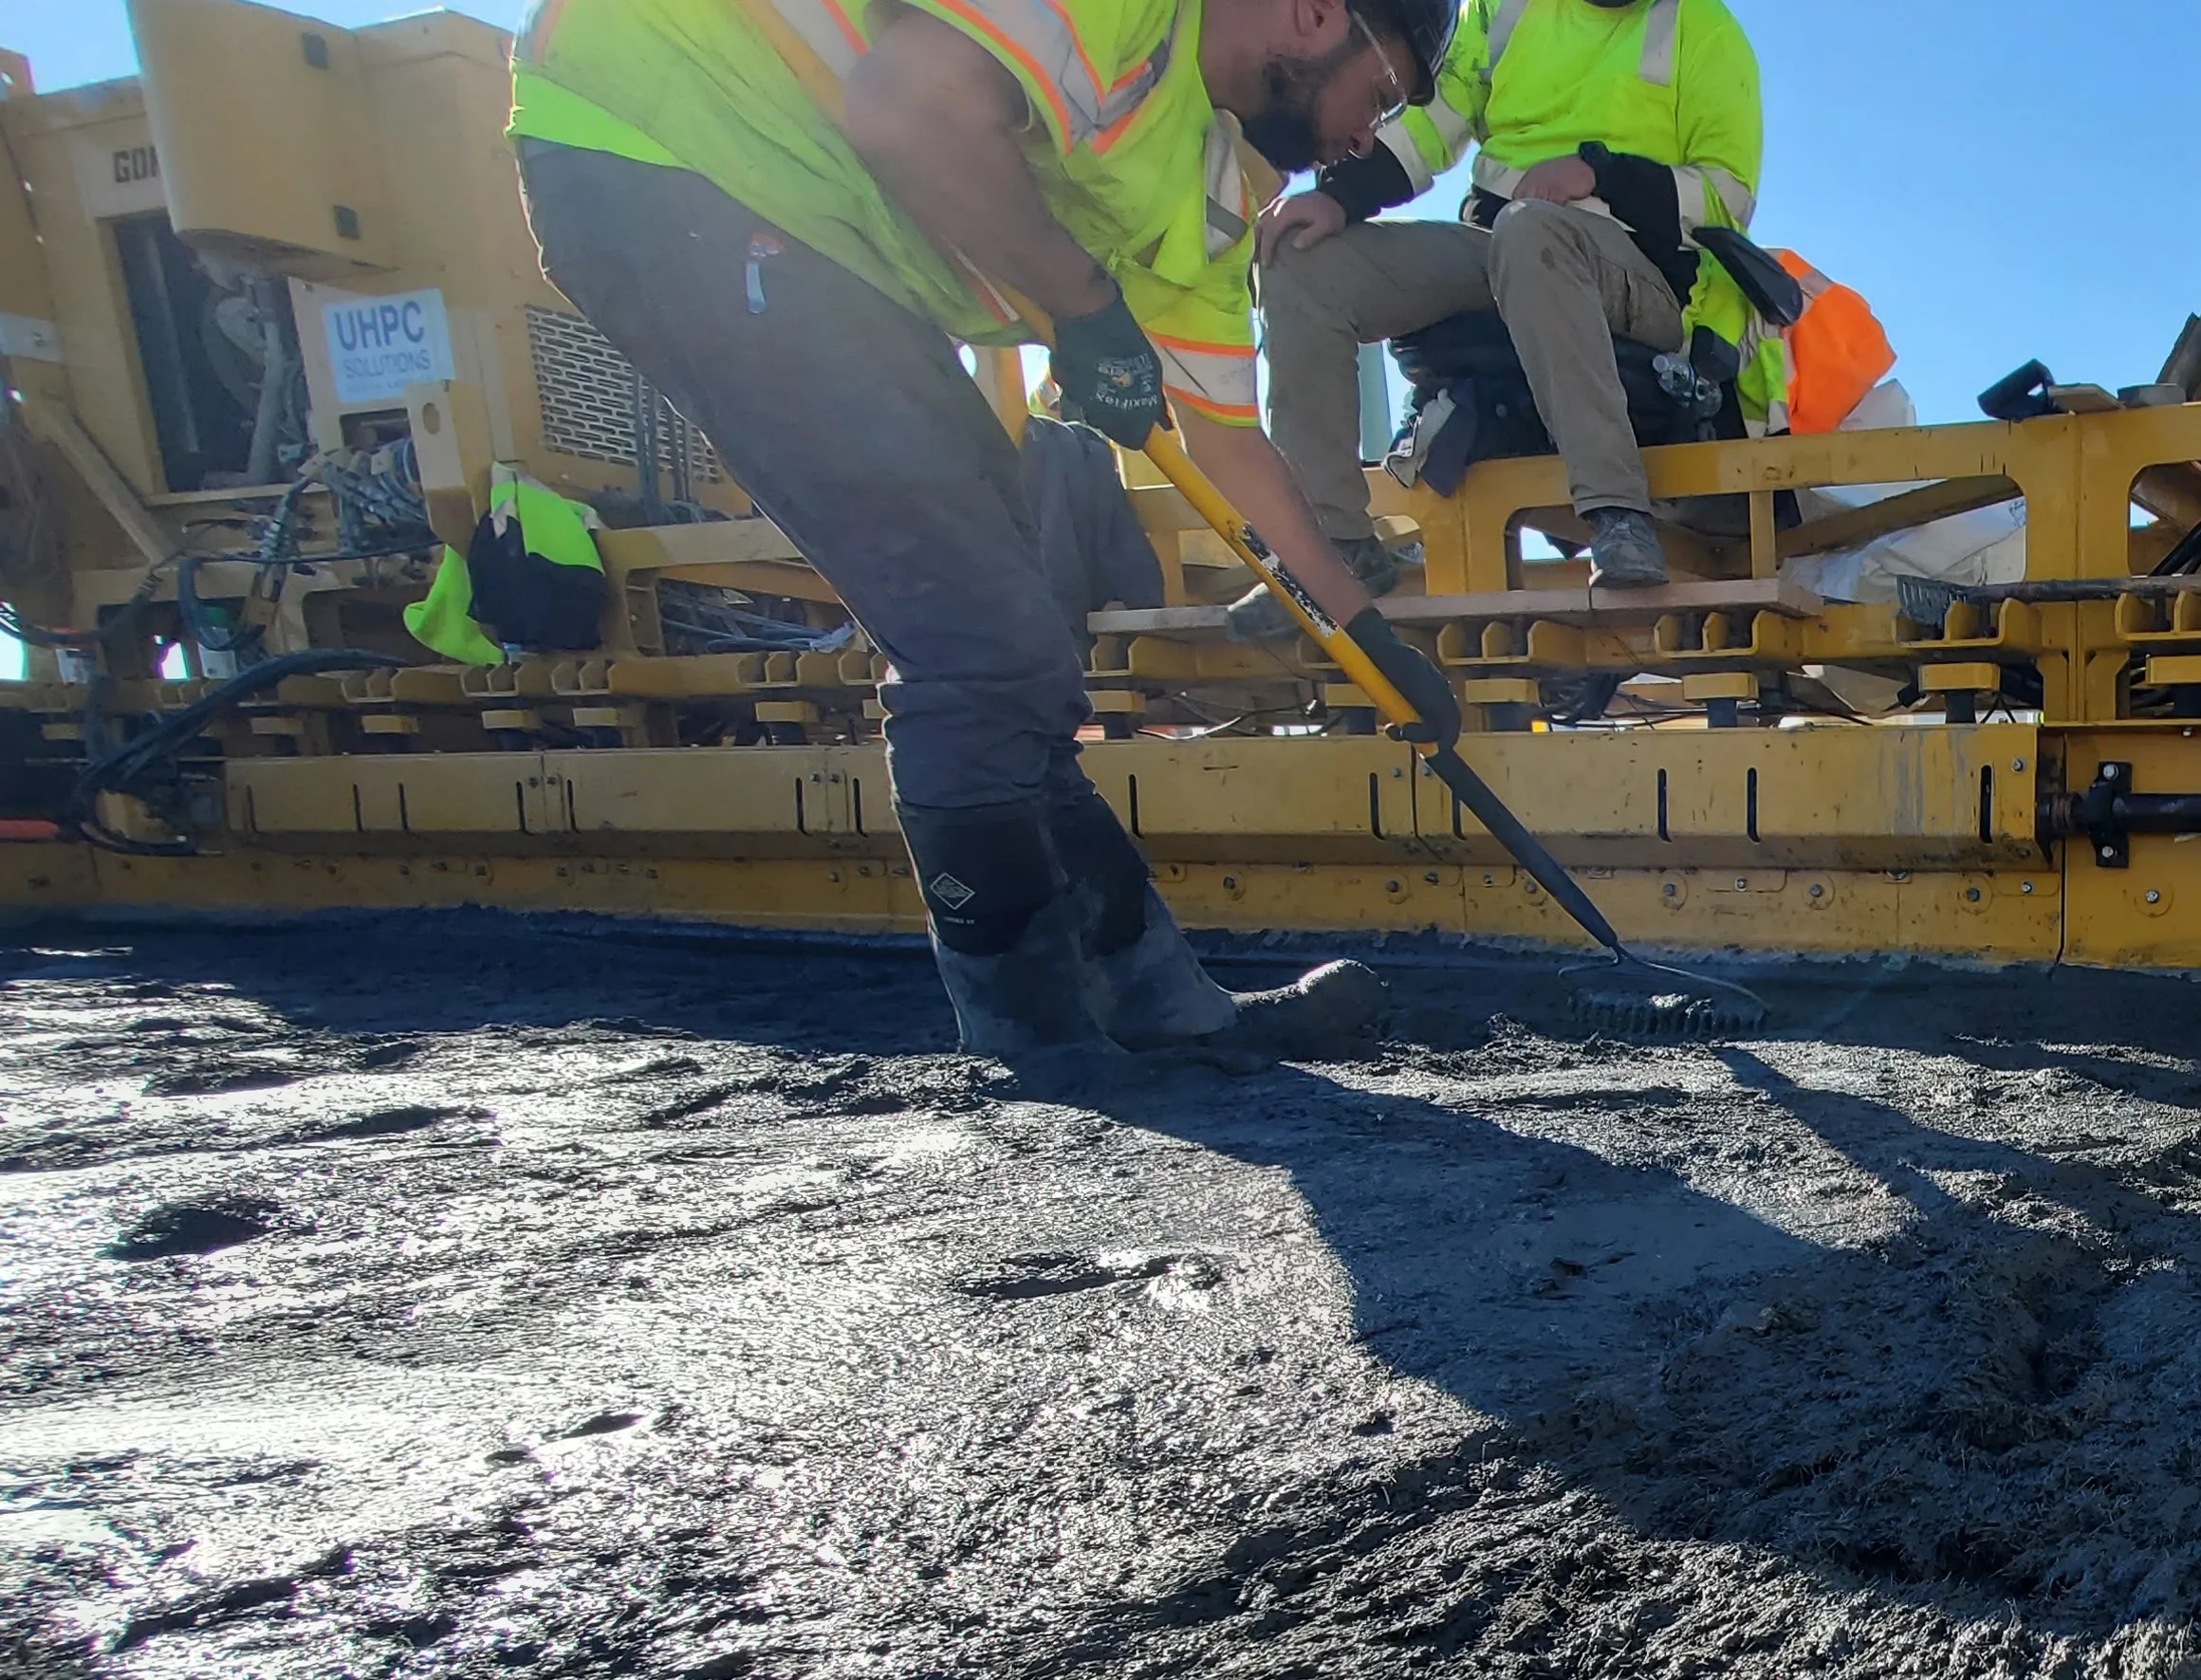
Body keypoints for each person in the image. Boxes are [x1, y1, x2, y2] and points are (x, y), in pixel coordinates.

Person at [506, 0, 1436, 1062]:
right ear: (1314, 15)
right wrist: (1082, 303)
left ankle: (1154, 1003)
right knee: (976, 640)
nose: (1369, 139)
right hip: (679, 150)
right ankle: (1036, 1043)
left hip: (825, 231)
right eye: (1381, 96)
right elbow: (908, 108)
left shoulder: (1208, 189)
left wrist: (1368, 638)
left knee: (1023, 631)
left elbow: (1227, 445)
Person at [1242, 0, 1768, 610]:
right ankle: (1327, 550)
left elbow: (1726, 198)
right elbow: (1429, 123)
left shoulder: (1706, 29)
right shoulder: (1502, 10)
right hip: (1499, 247)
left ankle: (1619, 515)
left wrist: (1599, 174)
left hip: (1636, 271)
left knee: (1531, 231)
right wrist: (1339, 199)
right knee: (1301, 258)